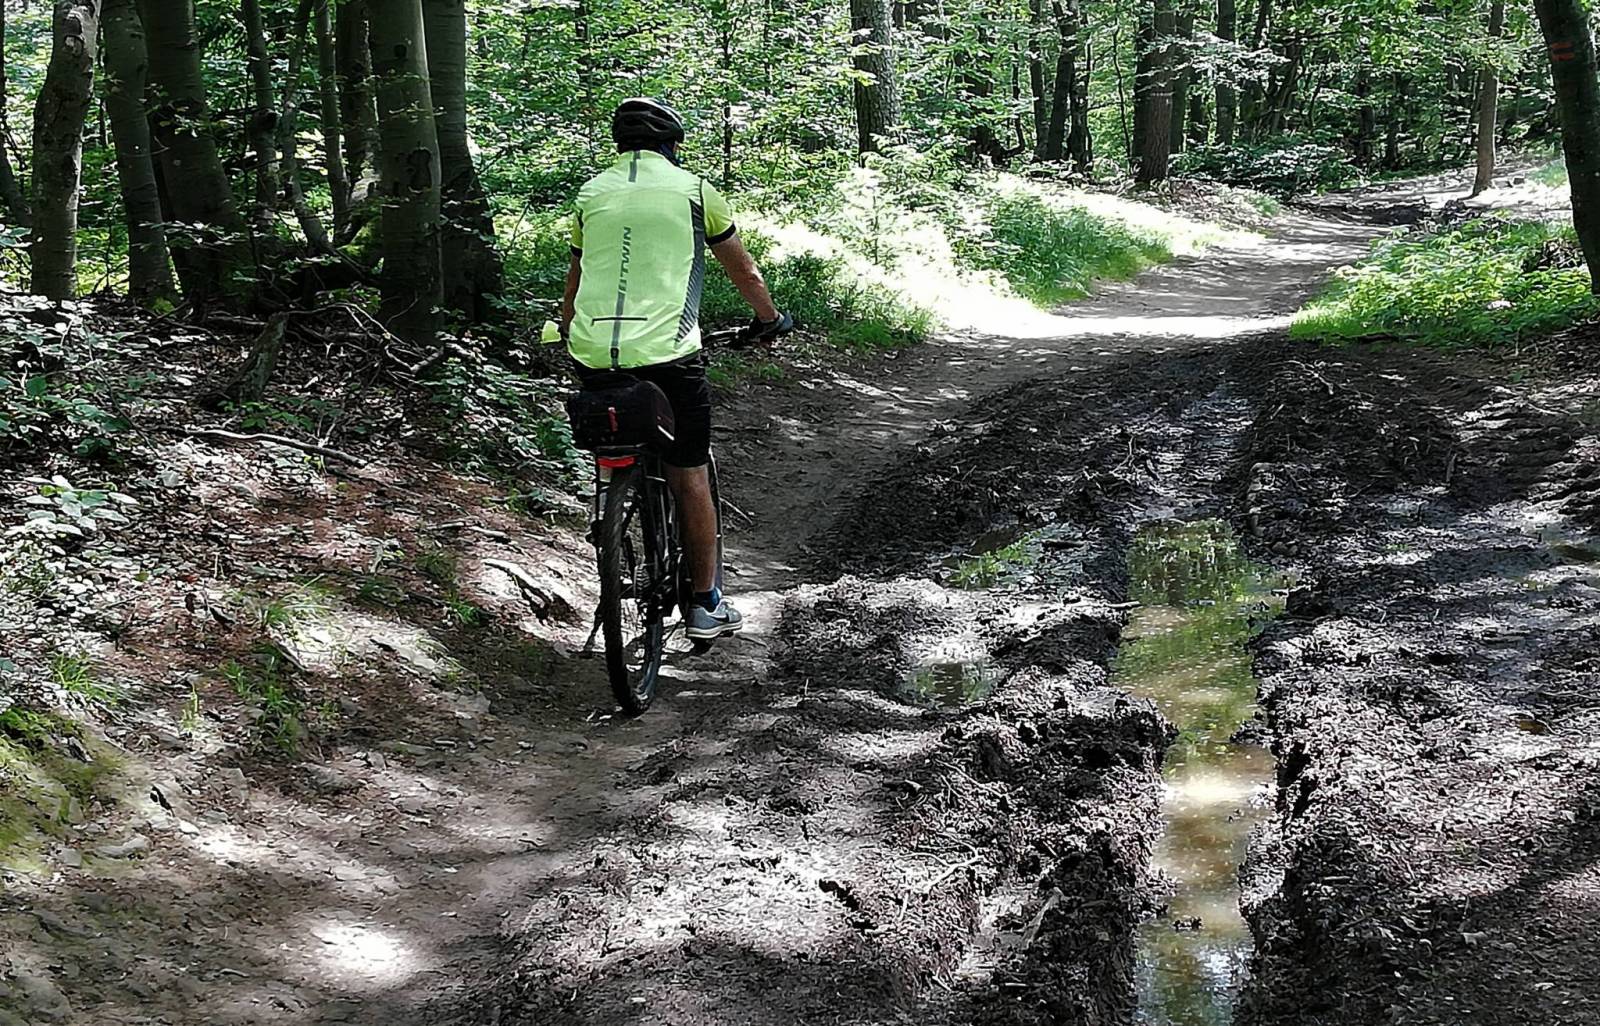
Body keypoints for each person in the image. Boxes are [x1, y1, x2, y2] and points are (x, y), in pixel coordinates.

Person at [561, 97, 791, 640]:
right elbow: (744, 271)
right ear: (673, 145)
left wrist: (568, 330)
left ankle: (611, 510)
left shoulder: (591, 194)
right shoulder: (694, 191)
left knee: (614, 440)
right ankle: (706, 604)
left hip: (593, 351)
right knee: (689, 470)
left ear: (620, 145)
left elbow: (576, 279)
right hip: (668, 352)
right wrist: (770, 320)